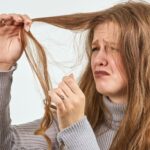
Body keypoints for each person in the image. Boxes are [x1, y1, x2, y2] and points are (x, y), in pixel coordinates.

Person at [0, 1, 150, 150]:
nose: (99, 60)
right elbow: (7, 145)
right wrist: (2, 64)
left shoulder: (74, 122)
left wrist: (76, 130)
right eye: (95, 48)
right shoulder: (71, 118)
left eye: (114, 49)